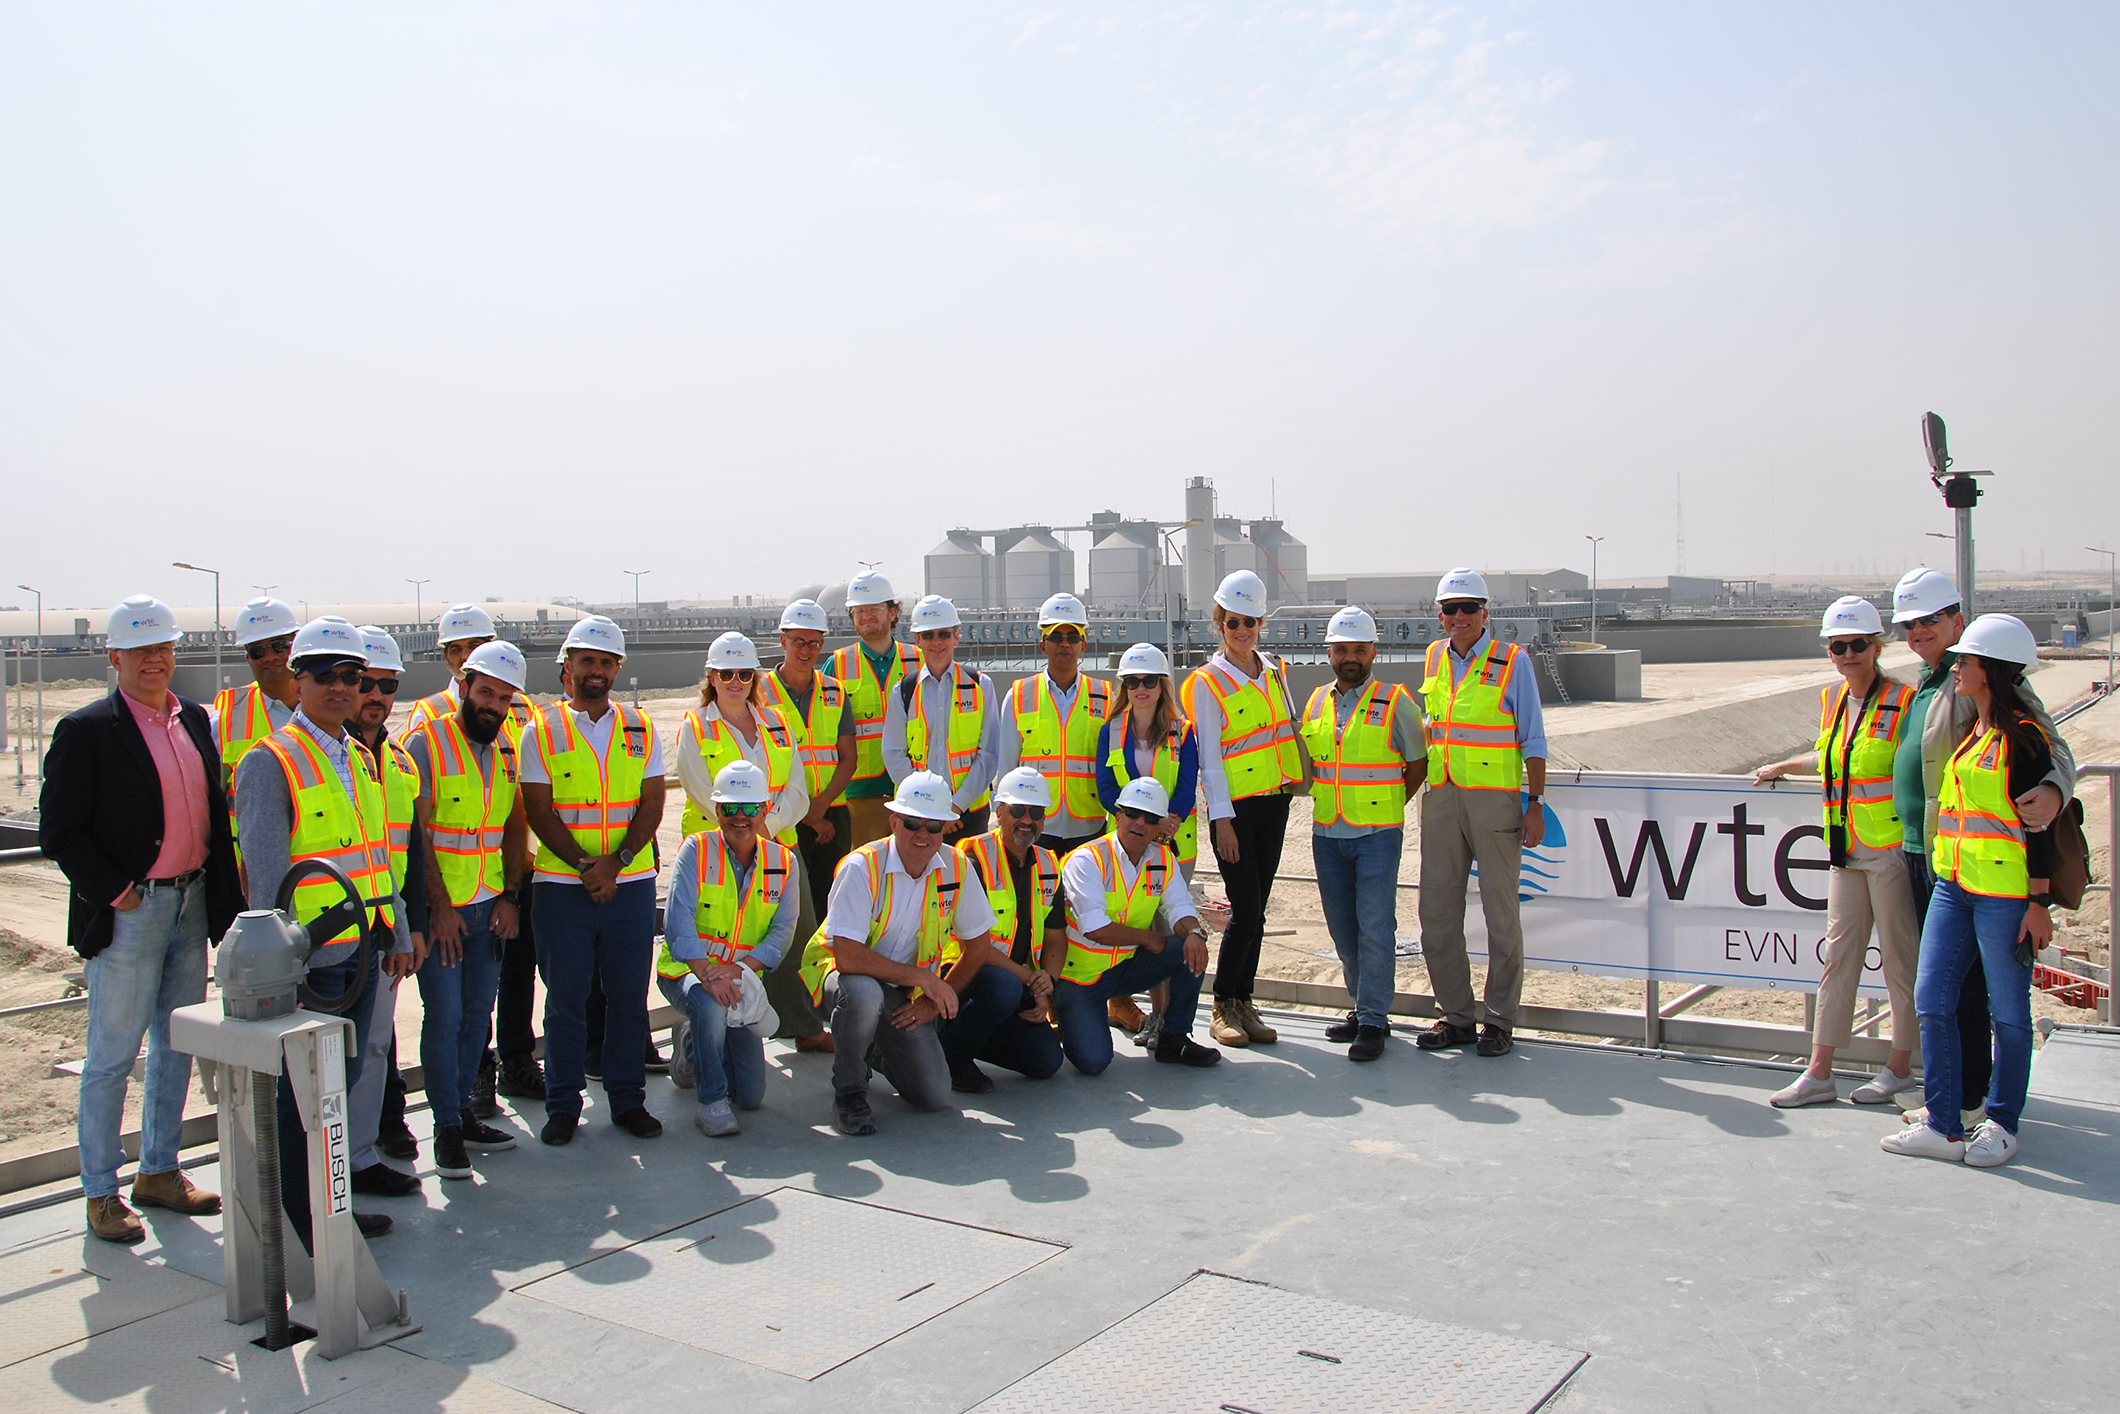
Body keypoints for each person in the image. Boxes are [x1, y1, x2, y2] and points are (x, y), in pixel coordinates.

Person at [42, 595, 240, 1243]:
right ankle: (100, 1191)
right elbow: (61, 831)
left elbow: (211, 812)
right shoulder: (88, 730)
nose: (156, 660)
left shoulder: (193, 722)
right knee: (110, 1056)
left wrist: (217, 907)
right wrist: (116, 891)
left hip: (188, 908)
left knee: (175, 1046)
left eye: (164, 648)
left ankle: (159, 1171)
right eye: (142, 649)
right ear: (115, 657)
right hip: (131, 910)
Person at [234, 616, 417, 1243]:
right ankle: (299, 1226)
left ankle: (332, 1212)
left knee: (335, 1094)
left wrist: (393, 927)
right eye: (324, 675)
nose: (340, 687)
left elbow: (377, 853)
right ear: (297, 678)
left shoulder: (360, 758)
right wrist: (280, 967)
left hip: (361, 954)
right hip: (310, 963)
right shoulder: (271, 761)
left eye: (352, 675)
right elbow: (263, 882)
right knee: (297, 1101)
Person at [1888, 567, 2075, 1132]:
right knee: (1944, 986)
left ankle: (1972, 1098)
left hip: (1980, 868)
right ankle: (1955, 1095)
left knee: (1972, 990)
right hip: (1933, 853)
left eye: (1928, 620)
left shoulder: (1981, 675)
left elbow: (2049, 747)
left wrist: (2053, 789)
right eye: (1908, 624)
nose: (1917, 631)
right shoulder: (1926, 680)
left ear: (1955, 620)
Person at [1753, 597, 1921, 1106]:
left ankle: (1900, 1069)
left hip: (1890, 851)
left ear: (1876, 647)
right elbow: (1832, 758)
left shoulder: (1907, 701)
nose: (1847, 653)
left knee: (1899, 961)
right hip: (1845, 851)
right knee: (1838, 958)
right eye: (1838, 646)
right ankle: (1820, 1071)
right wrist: (1783, 766)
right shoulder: (1833, 701)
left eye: (1857, 645)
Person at [519, 615, 667, 1147]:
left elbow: (652, 801)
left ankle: (628, 1102)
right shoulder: (541, 730)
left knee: (629, 998)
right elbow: (539, 810)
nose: (597, 671)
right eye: (587, 661)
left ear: (618, 668)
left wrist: (619, 861)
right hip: (563, 889)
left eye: (606, 662)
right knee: (566, 1001)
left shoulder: (640, 726)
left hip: (629, 883)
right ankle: (563, 1105)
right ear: (569, 668)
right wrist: (588, 866)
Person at [798, 772, 995, 1136]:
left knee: (934, 1095)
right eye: (911, 823)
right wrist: (924, 979)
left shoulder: (957, 868)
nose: (922, 834)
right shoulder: (861, 867)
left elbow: (979, 945)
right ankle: (849, 1091)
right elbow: (848, 958)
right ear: (892, 822)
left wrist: (931, 1004)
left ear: (947, 828)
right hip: (837, 980)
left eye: (933, 825)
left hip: (900, 995)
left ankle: (869, 1046)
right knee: (864, 993)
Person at [409, 641, 532, 1180]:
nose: (494, 705)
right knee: (446, 1019)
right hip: (447, 917)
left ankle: (461, 1113)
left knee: (476, 1019)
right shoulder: (424, 744)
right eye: (486, 693)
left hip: (488, 911)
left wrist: (509, 896)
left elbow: (511, 828)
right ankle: (444, 1128)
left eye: (504, 698)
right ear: (464, 685)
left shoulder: (508, 747)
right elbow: (416, 836)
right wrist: (437, 906)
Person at [1413, 569, 1547, 1059]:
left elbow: (1533, 738)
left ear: (1486, 613)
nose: (1459, 617)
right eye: (1450, 609)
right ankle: (1456, 1015)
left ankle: (1499, 1020)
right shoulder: (1433, 658)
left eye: (1469, 607)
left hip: (1496, 801)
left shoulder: (1513, 662)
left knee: (1500, 915)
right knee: (1437, 913)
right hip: (1443, 797)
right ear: (1440, 615)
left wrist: (1536, 805)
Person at [1180, 570, 1307, 1048]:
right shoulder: (1207, 682)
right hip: (1235, 813)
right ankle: (1222, 1005)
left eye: (1250, 621)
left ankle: (1244, 1000)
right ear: (1220, 622)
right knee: (1246, 909)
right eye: (1233, 622)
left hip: (1274, 803)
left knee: (1259, 911)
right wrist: (1222, 821)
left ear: (1261, 622)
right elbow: (1209, 760)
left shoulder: (1273, 671)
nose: (1242, 630)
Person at [1299, 607, 1426, 1063]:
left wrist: (1389, 805)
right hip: (1328, 832)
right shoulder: (1315, 702)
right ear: (1329, 653)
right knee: (1343, 929)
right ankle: (1360, 1006)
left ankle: (1374, 1018)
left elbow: (1417, 764)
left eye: (1358, 649)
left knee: (1375, 926)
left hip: (1376, 834)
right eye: (1341, 649)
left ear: (1373, 652)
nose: (1349, 657)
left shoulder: (1396, 701)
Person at [656, 761, 800, 1138]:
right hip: (687, 973)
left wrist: (741, 969)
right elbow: (678, 923)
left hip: (741, 979)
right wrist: (706, 974)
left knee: (751, 1095)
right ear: (716, 810)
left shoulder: (783, 863)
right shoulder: (695, 850)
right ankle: (711, 1102)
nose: (741, 817)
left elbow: (782, 931)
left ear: (765, 811)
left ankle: (692, 1047)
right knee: (708, 1003)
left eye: (750, 808)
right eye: (730, 808)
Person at [341, 627, 432, 1199]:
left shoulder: (397, 761)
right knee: (327, 1055)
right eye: (364, 683)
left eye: (387, 685)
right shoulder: (319, 756)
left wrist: (413, 925)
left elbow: (412, 850)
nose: (375, 694)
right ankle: (325, 1170)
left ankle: (359, 1155)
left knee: (374, 1046)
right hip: (324, 932)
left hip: (385, 925)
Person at [1050, 777, 1221, 1073]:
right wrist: (1146, 938)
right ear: (1118, 816)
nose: (1139, 823)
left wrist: (1194, 932)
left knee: (1189, 948)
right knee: (1094, 1062)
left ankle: (1174, 1039)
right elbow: (1094, 927)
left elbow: (1179, 907)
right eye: (1132, 813)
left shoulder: (1162, 859)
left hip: (1124, 969)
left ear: (1158, 828)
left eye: (1151, 818)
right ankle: (1067, 1015)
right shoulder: (1087, 860)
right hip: (1080, 978)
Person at [1095, 642, 1201, 1049]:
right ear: (1124, 686)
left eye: (1150, 681)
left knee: (1166, 929)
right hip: (1124, 846)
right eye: (1134, 681)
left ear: (1162, 685)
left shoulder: (1183, 730)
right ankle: (1142, 1010)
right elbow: (1106, 787)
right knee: (1138, 927)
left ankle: (1165, 1019)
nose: (1142, 688)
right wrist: (1134, 822)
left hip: (1173, 844)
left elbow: (1188, 785)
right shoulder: (1112, 729)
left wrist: (1166, 822)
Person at [760, 598, 853, 1051]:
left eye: (815, 643)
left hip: (827, 812)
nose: (807, 650)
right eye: (798, 642)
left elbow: (847, 755)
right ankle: (789, 1017)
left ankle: (815, 1011)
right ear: (782, 641)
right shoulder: (759, 691)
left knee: (828, 916)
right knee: (789, 918)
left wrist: (820, 809)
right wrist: (803, 815)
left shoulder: (835, 690)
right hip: (780, 821)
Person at [942, 767, 1068, 1093]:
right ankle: (953, 1057)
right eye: (1017, 810)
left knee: (1046, 1062)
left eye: (1036, 812)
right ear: (999, 811)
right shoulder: (972, 857)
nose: (1027, 820)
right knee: (1003, 987)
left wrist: (1046, 982)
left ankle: (954, 1038)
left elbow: (1055, 936)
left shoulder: (1049, 864)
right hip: (964, 976)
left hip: (1014, 982)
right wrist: (1028, 980)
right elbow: (975, 947)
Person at [997, 592, 1114, 854]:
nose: (1065, 644)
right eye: (1056, 637)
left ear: (1083, 645)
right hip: (1035, 825)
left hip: (1089, 826)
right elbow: (1006, 766)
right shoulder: (1018, 695)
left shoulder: (1105, 696)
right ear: (1043, 645)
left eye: (1072, 637)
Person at [882, 595, 1001, 841]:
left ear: (956, 636)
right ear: (917, 639)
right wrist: (926, 805)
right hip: (916, 815)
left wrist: (954, 808)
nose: (937, 642)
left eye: (944, 634)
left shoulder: (980, 686)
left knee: (967, 877)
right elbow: (893, 753)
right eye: (928, 635)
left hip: (967, 814)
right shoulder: (903, 691)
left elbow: (989, 754)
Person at [675, 632, 807, 845]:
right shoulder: (695, 727)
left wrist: (769, 826)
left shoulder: (778, 723)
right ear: (712, 679)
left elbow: (797, 788)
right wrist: (748, 831)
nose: (735, 682)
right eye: (726, 674)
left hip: (777, 841)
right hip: (716, 847)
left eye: (744, 674)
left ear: (753, 679)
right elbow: (701, 792)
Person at [826, 570, 917, 849]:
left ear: (892, 613)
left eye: (874, 609)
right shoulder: (836, 666)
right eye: (859, 610)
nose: (866, 616)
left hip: (911, 791)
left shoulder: (918, 660)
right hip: (858, 795)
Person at [209, 595, 300, 851]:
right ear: (247, 657)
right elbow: (211, 808)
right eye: (257, 650)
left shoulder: (332, 706)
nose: (269, 656)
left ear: (298, 643)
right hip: (251, 871)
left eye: (280, 645)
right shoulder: (224, 723)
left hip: (322, 873)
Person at [403, 603, 534, 734]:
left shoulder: (523, 707)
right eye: (456, 650)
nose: (465, 656)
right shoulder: (428, 713)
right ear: (446, 657)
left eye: (474, 646)